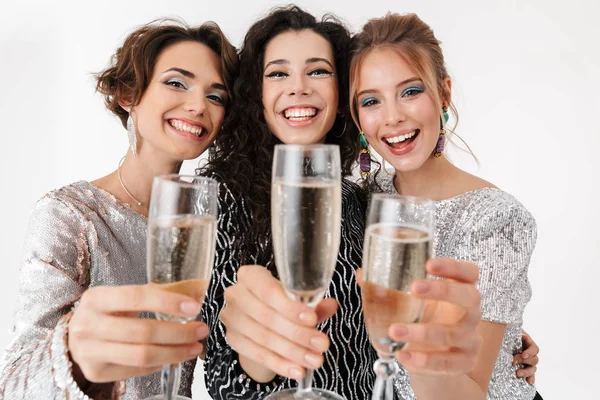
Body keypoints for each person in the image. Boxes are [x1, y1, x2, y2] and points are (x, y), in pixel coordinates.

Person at [199, 6, 482, 400]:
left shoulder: (358, 198)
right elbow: (223, 380)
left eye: (318, 71)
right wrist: (257, 351)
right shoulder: (216, 195)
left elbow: (395, 329)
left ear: (342, 95)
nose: (298, 87)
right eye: (278, 73)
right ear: (256, 95)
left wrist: (501, 345)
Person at [0, 19, 238, 399]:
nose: (197, 105)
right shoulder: (71, 215)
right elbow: (13, 386)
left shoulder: (209, 226)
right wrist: (75, 357)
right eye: (177, 83)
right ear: (128, 94)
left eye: (216, 96)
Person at [349, 12, 539, 399]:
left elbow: (470, 389)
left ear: (444, 94)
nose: (393, 116)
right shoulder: (362, 200)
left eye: (410, 91)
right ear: (357, 118)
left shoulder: (496, 219)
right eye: (371, 100)